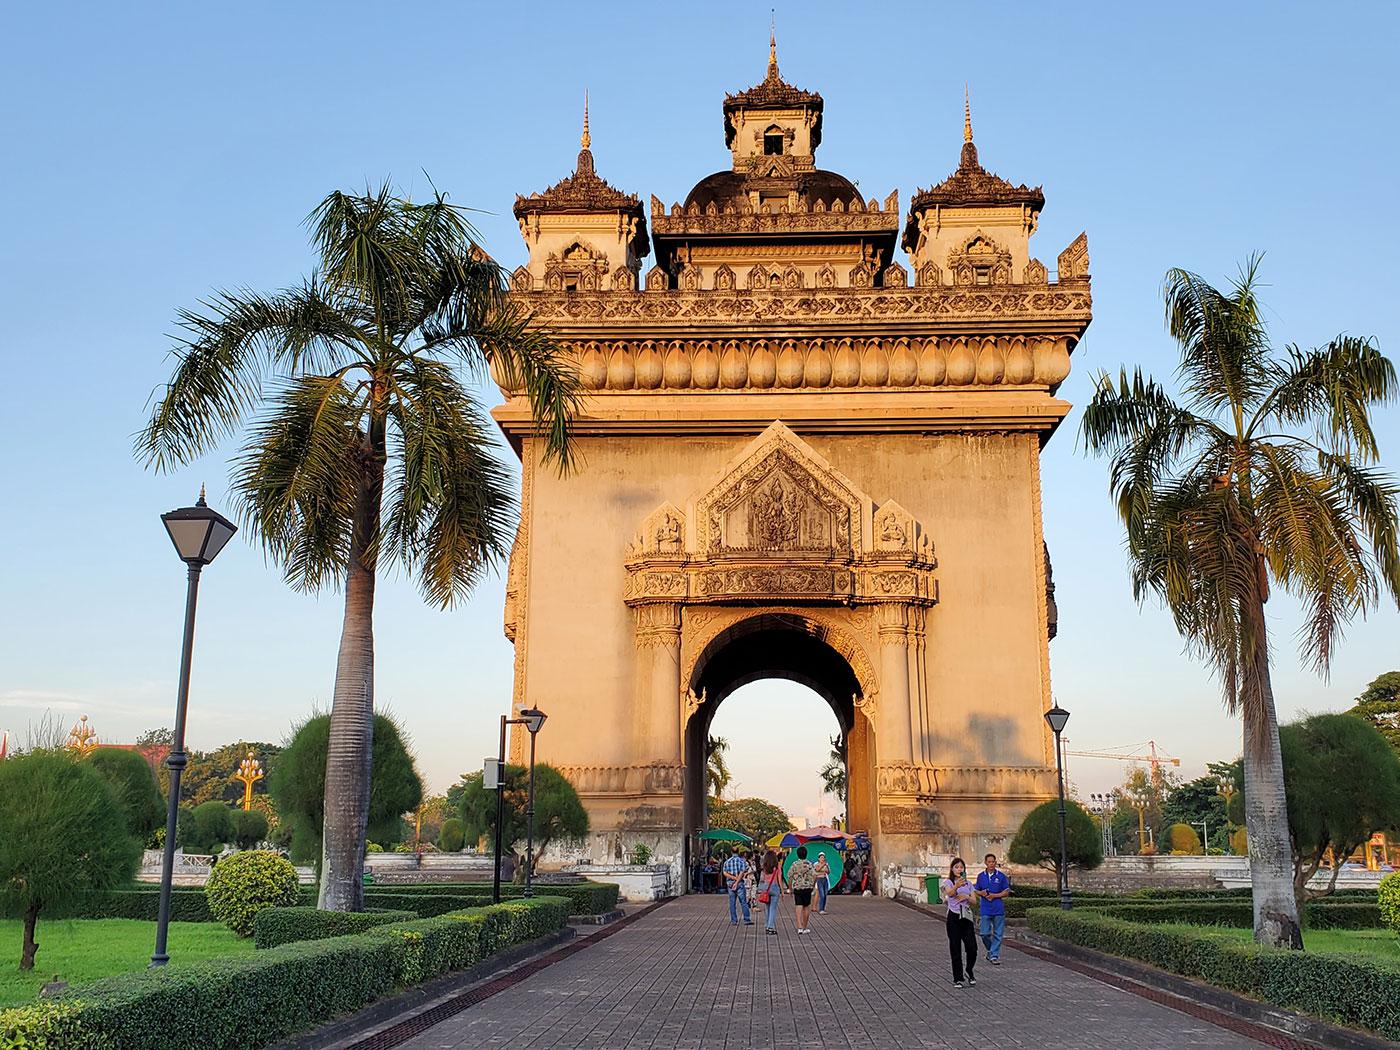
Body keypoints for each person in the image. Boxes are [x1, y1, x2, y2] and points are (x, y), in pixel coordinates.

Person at [940, 857, 977, 987]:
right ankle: (958, 978)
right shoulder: (948, 882)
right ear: (952, 869)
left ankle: (969, 970)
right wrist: (956, 886)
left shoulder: (969, 884)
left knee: (972, 947)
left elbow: (974, 901)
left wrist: (966, 896)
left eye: (961, 867)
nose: (959, 869)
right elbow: (949, 894)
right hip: (953, 917)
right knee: (955, 948)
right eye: (956, 867)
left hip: (966, 917)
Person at [974, 852, 1011, 964]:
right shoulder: (981, 876)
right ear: (986, 863)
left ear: (995, 863)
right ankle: (991, 951)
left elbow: (1006, 892)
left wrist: (995, 895)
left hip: (998, 908)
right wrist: (982, 893)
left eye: (993, 862)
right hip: (985, 908)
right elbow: (976, 890)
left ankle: (994, 955)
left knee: (998, 934)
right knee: (984, 933)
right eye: (989, 862)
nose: (991, 864)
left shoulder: (1001, 876)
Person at [787, 845, 817, 934]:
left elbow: (790, 876)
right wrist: (812, 885)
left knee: (798, 906)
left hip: (797, 887)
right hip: (807, 887)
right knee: (807, 906)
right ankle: (805, 927)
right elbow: (815, 875)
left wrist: (790, 888)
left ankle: (799, 926)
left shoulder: (795, 864)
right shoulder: (809, 864)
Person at [722, 845, 753, 926]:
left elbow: (724, 873)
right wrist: (737, 881)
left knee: (732, 903)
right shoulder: (742, 861)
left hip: (730, 884)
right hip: (740, 883)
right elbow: (742, 872)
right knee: (743, 902)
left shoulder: (727, 862)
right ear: (738, 852)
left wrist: (733, 878)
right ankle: (746, 919)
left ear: (731, 852)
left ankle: (734, 920)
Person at [757, 849, 785, 934]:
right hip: (774, 887)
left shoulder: (765, 866)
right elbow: (779, 878)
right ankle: (770, 927)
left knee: (767, 908)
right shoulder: (777, 866)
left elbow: (763, 878)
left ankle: (767, 924)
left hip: (766, 887)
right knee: (773, 908)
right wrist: (782, 890)